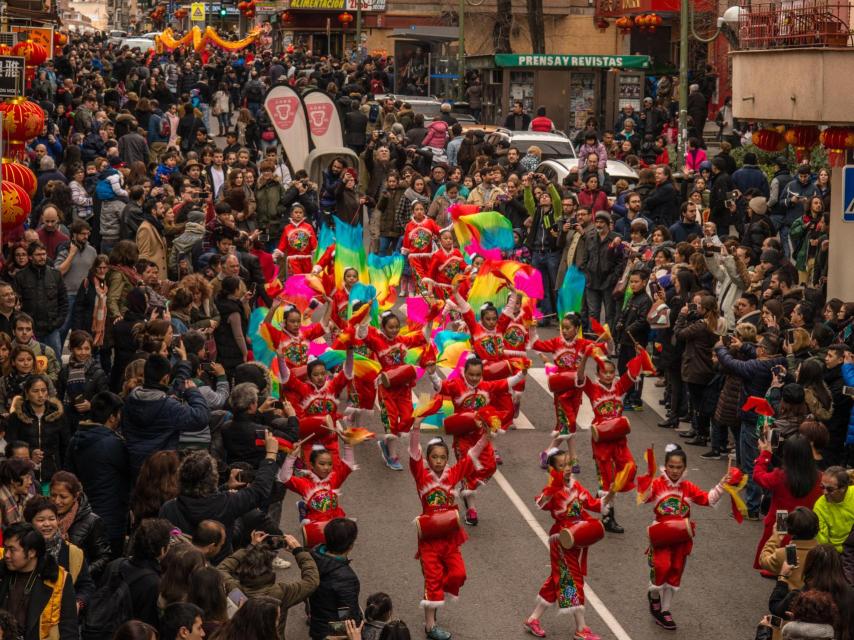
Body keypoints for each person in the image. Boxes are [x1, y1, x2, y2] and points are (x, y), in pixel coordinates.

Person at [407, 418, 491, 640]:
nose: (438, 461)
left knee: (458, 574)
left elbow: (472, 455)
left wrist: (487, 436)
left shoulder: (452, 475)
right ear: (427, 459)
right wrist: (416, 427)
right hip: (429, 538)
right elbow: (413, 453)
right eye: (434, 457)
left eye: (443, 457)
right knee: (433, 581)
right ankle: (430, 625)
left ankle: (433, 596)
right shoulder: (421, 476)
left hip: (450, 537)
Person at [524, 449, 613, 640]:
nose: (566, 469)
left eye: (568, 464)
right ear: (553, 469)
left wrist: (612, 492)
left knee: (559, 578)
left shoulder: (577, 486)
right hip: (561, 540)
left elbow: (594, 504)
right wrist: (552, 488)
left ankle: (533, 619)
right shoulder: (553, 489)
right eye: (561, 465)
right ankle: (581, 627)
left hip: (576, 538)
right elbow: (540, 503)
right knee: (572, 579)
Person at [641, 445, 729, 630]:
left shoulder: (688, 487)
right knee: (661, 567)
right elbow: (643, 497)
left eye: (678, 467)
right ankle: (654, 596)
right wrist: (647, 480)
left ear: (684, 468)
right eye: (671, 467)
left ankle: (665, 611)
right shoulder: (658, 484)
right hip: (662, 537)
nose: (674, 471)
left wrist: (722, 485)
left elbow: (708, 499)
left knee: (676, 570)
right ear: (665, 467)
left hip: (681, 539)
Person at [158, 435, 280, 563]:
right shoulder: (226, 503)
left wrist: (225, 487)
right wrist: (271, 455)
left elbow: (198, 501)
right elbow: (259, 490)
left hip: (181, 566)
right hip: (220, 568)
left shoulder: (169, 508)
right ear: (213, 479)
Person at [121, 353, 211, 477]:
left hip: (135, 465)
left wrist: (184, 363)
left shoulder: (130, 400)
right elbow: (201, 417)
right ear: (166, 378)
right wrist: (192, 392)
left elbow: (170, 390)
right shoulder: (168, 406)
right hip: (162, 468)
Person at [65, 391, 130, 557]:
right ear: (113, 417)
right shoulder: (113, 443)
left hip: (83, 517)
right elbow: (129, 472)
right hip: (111, 518)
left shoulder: (76, 439)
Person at [216, 532, 319, 635]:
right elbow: (311, 580)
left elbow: (221, 569)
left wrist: (250, 549)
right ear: (269, 568)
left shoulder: (233, 588)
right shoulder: (281, 592)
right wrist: (299, 551)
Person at [753, 435, 823, 573]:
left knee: (778, 546)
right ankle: (792, 572)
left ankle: (779, 571)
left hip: (782, 517)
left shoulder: (780, 476)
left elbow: (758, 476)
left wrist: (765, 455)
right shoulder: (820, 477)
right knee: (797, 547)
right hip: (805, 518)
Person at [0, 523, 78, 640]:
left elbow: (69, 630)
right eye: (5, 548)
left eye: (12, 550)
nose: (6, 555)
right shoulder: (2, 572)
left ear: (31, 552)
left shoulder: (58, 580)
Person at [308, 518, 361, 640]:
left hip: (317, 624)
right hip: (332, 632)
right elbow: (346, 615)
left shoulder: (313, 555)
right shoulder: (345, 578)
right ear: (350, 545)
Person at [13, 242, 68, 360]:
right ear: (30, 257)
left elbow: (64, 302)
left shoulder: (55, 275)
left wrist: (57, 323)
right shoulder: (20, 277)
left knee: (55, 361)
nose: (42, 257)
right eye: (38, 255)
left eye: (44, 254)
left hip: (51, 329)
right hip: (29, 330)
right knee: (28, 361)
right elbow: (16, 304)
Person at [813, 466, 854, 552]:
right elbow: (822, 542)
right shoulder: (819, 506)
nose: (824, 492)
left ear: (843, 488)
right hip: (836, 554)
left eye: (829, 489)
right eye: (822, 487)